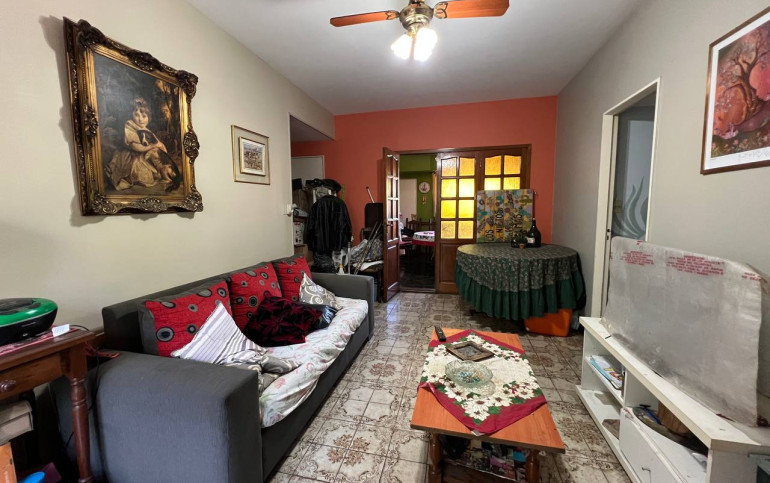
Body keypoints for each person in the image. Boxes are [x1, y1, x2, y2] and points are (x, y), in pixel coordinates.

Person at [106, 97, 177, 191]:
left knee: (154, 159)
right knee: (141, 174)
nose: (140, 119)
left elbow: (159, 144)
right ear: (131, 115)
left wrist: (163, 151)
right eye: (136, 115)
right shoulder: (130, 125)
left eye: (144, 116)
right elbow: (135, 147)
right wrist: (152, 146)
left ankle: (162, 172)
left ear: (149, 118)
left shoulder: (146, 130)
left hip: (142, 156)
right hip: (130, 157)